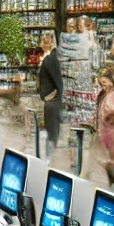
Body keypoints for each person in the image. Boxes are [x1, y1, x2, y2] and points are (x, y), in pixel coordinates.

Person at [90, 67, 114, 186]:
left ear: (111, 80)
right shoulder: (103, 96)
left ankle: (113, 181)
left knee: (111, 160)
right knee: (107, 160)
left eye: (104, 83)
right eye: (101, 84)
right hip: (105, 133)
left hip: (113, 133)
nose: (103, 86)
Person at [38, 31, 63, 160]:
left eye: (43, 41)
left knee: (52, 136)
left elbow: (59, 81)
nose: (41, 44)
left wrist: (52, 95)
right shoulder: (49, 57)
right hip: (51, 104)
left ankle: (50, 162)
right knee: (51, 134)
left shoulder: (51, 59)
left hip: (53, 105)